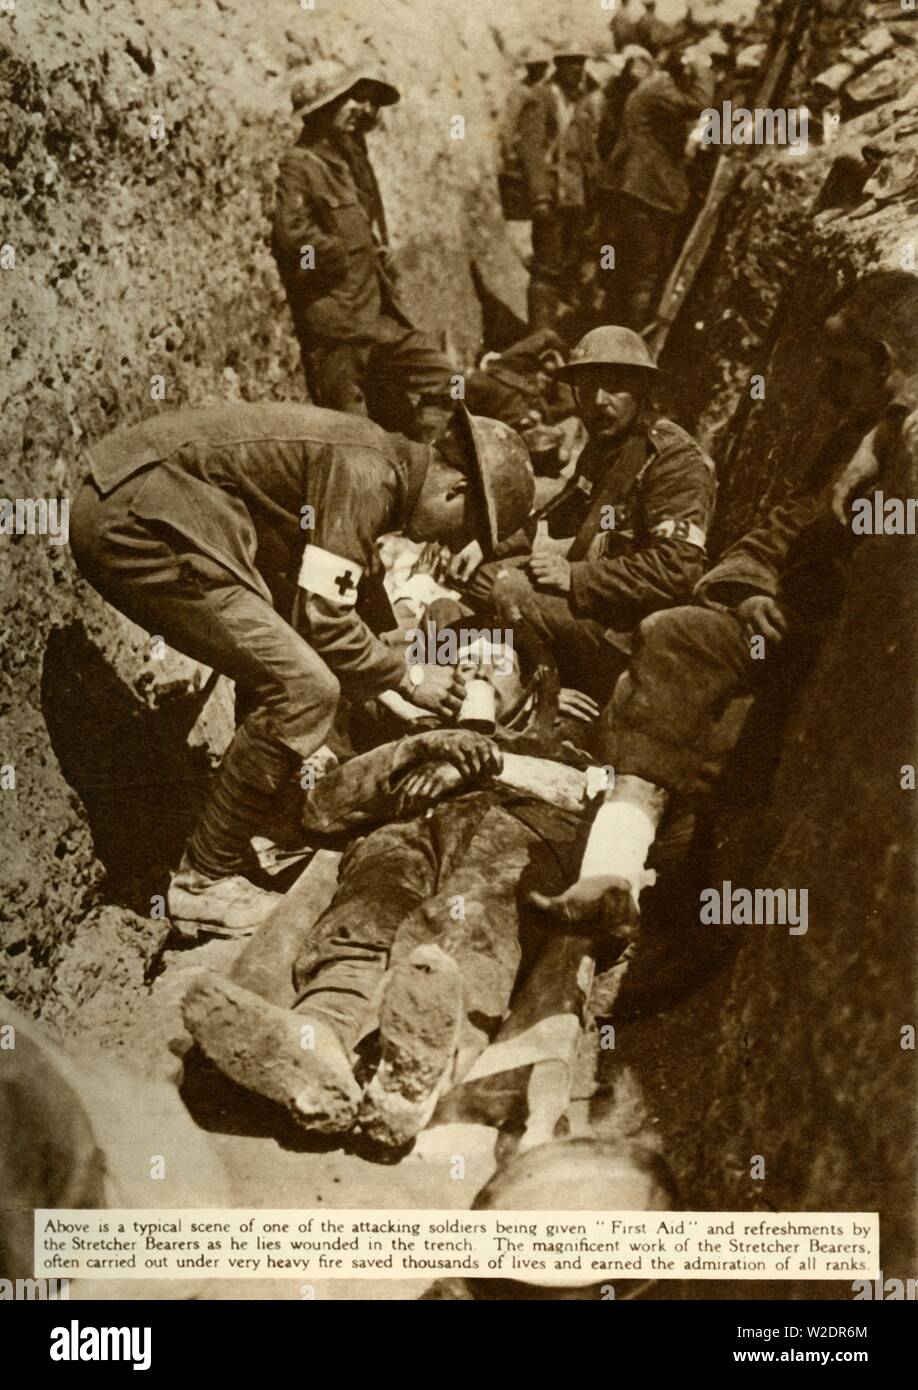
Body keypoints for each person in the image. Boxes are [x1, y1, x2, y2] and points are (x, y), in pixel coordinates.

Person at [531, 270, 918, 934]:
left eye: (842, 367)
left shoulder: (894, 437)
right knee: (673, 662)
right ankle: (621, 884)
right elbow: (769, 534)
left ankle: (644, 894)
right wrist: (748, 590)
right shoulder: (851, 435)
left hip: (833, 651)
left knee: (678, 659)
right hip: (772, 626)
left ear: (884, 362)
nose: (827, 386)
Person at [70, 401, 534, 936]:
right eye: (461, 529)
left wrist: (394, 652)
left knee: (283, 655)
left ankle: (261, 822)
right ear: (456, 491)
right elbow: (326, 623)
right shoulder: (368, 475)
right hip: (135, 519)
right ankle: (202, 882)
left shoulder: (378, 462)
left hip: (149, 504)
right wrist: (408, 679)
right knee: (304, 686)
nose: (444, 544)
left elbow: (342, 591)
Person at [463, 326, 716, 703]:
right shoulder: (606, 444)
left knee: (507, 588)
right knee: (483, 577)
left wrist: (577, 576)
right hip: (596, 602)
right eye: (586, 386)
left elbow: (677, 569)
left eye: (614, 386)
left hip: (628, 630)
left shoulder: (675, 461)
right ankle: (506, 681)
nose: (598, 400)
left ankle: (552, 697)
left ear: (643, 389)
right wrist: (490, 544)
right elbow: (561, 514)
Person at [271, 65, 453, 441]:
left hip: (380, 320)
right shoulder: (301, 165)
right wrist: (342, 257)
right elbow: (293, 241)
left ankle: (423, 462)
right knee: (350, 438)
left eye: (368, 102)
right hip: (339, 329)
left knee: (448, 382)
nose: (363, 109)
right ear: (322, 108)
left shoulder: (349, 164)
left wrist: (374, 255)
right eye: (350, 98)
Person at [605, 51, 707, 329]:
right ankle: (633, 339)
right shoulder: (659, 87)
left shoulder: (653, 88)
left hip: (641, 188)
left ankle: (621, 329)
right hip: (647, 191)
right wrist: (702, 64)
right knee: (646, 271)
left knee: (638, 268)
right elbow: (700, 103)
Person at [516, 53, 597, 329]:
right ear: (559, 67)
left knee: (568, 270)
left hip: (574, 199)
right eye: (571, 64)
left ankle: (554, 338)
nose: (578, 70)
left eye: (581, 64)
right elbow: (531, 149)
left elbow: (587, 154)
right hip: (551, 198)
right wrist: (539, 196)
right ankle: (539, 339)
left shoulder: (577, 103)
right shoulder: (541, 98)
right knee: (546, 270)